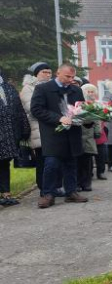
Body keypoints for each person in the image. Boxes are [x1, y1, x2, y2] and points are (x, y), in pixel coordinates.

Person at [30, 62, 89, 208]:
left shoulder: (76, 90)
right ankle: (48, 194)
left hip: (72, 132)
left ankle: (71, 192)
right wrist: (58, 118)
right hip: (53, 134)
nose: (70, 80)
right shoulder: (43, 88)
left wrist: (90, 118)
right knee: (51, 164)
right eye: (67, 76)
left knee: (71, 163)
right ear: (58, 73)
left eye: (72, 77)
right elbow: (36, 110)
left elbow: (81, 109)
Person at [20, 62, 53, 194]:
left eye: (49, 72)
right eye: (44, 72)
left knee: (53, 160)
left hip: (51, 127)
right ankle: (43, 188)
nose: (47, 75)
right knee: (42, 161)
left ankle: (53, 186)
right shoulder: (28, 88)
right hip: (37, 129)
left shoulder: (51, 86)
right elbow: (31, 108)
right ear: (36, 74)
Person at [0, 67, 31, 206]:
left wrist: (25, 130)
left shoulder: (9, 88)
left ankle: (6, 194)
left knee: (5, 162)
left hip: (9, 133)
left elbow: (19, 110)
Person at [77, 84, 102, 191]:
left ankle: (86, 183)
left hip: (88, 135)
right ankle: (77, 183)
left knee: (87, 160)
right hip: (78, 134)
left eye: (92, 91)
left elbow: (97, 119)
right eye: (88, 91)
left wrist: (97, 131)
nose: (90, 94)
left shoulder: (94, 105)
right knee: (77, 161)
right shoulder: (78, 103)